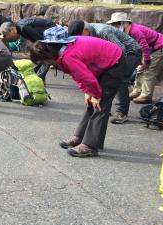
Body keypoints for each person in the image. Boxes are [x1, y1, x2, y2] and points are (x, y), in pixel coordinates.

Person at [30, 26, 127, 158]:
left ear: (47, 55)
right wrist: (87, 92)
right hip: (101, 64)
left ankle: (90, 146)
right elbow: (77, 75)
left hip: (114, 62)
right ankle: (80, 137)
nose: (45, 64)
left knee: (100, 104)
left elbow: (88, 79)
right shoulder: (62, 51)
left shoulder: (68, 56)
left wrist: (96, 95)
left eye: (43, 61)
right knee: (90, 102)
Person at [68, 20, 141, 124]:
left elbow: (121, 50)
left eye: (80, 36)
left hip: (130, 53)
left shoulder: (103, 31)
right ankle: (103, 107)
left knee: (120, 80)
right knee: (103, 78)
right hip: (113, 55)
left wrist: (116, 71)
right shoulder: (88, 33)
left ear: (85, 30)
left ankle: (122, 112)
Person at [107, 12, 163, 105]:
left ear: (123, 23)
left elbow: (144, 46)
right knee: (139, 69)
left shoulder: (135, 31)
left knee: (149, 70)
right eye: (113, 24)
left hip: (160, 46)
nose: (114, 26)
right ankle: (137, 90)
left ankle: (146, 95)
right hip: (149, 49)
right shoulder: (125, 32)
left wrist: (147, 61)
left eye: (116, 24)